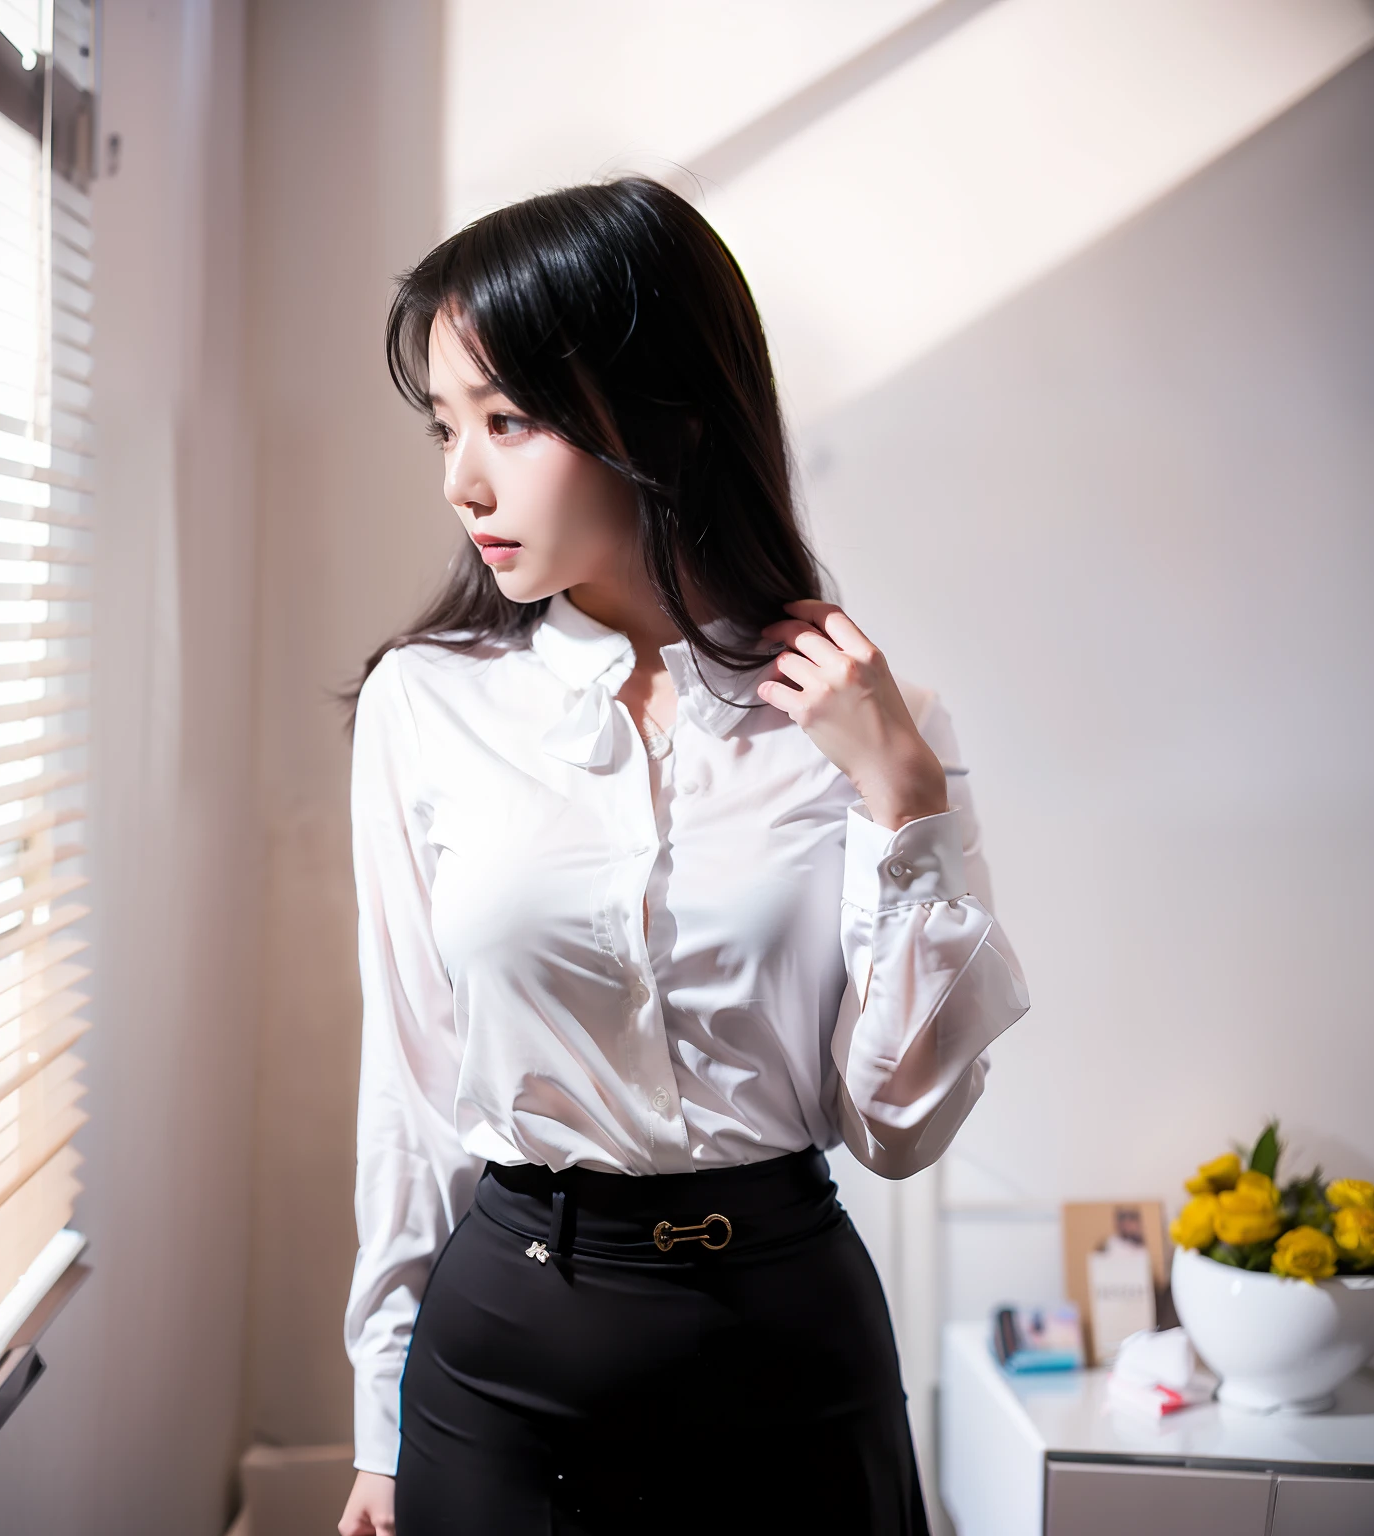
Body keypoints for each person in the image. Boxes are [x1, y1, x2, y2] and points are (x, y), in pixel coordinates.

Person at [337, 176, 1029, 1536]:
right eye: (447, 425)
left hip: (787, 1358)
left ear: (663, 412)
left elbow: (900, 1124)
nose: (461, 480)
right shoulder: (427, 703)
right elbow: (412, 1096)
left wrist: (904, 797)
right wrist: (377, 1420)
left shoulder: (870, 725)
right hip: (501, 1366)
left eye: (508, 420)